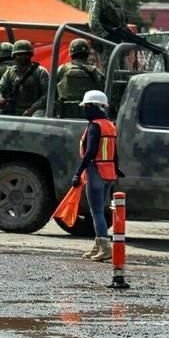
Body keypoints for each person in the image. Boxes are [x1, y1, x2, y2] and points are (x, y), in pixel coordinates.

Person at [70, 90, 124, 262]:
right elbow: (114, 151)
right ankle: (98, 245)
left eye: (86, 107)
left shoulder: (94, 126)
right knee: (100, 210)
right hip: (109, 172)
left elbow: (90, 152)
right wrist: (117, 169)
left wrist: (78, 173)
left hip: (96, 171)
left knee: (97, 211)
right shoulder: (110, 124)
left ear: (93, 107)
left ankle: (105, 246)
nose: (84, 110)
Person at [0, 40, 51, 117]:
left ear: (30, 55)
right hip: (14, 108)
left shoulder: (40, 71)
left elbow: (47, 95)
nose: (23, 56)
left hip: (36, 109)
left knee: (36, 120)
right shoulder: (10, 72)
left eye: (26, 54)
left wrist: (31, 109)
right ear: (14, 56)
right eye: (19, 54)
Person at [55, 38, 104, 118]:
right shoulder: (95, 71)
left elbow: (52, 92)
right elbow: (102, 91)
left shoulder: (62, 69)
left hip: (64, 115)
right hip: (88, 115)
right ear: (87, 54)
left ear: (71, 54)